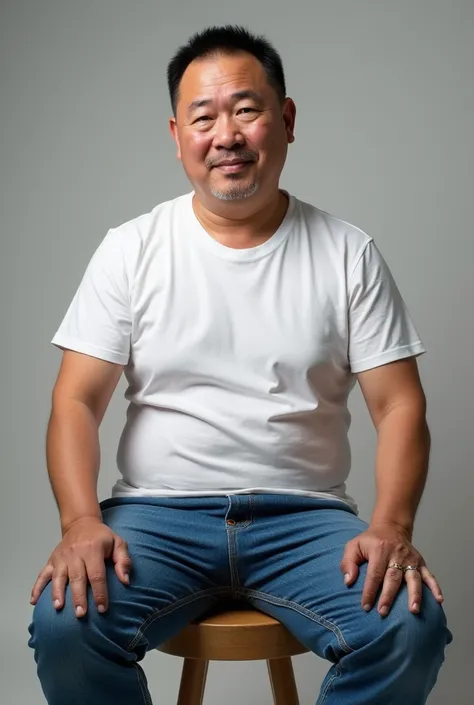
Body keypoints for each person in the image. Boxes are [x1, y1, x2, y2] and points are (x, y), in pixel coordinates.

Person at [28, 24, 452, 705]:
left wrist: (392, 526)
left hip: (305, 522)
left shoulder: (347, 253)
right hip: (156, 517)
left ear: (285, 120)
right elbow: (75, 400)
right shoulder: (131, 249)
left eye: (246, 110)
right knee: (63, 625)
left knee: (408, 626)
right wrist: (80, 521)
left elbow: (400, 404)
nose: (226, 134)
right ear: (177, 135)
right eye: (204, 117)